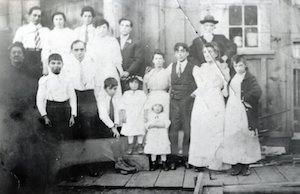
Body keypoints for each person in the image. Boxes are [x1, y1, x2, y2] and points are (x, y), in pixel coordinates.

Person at [188, 42, 230, 172]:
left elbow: (224, 85)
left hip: (215, 99)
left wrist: (220, 83)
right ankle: (200, 162)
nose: (207, 55)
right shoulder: (201, 68)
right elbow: (201, 86)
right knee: (201, 128)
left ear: (216, 53)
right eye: (205, 52)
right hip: (202, 100)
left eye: (210, 52)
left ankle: (215, 162)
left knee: (216, 128)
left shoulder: (222, 67)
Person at [222, 55, 262, 176]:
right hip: (232, 109)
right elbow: (227, 92)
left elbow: (257, 91)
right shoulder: (233, 77)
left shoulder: (250, 78)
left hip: (243, 110)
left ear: (245, 65)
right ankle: (235, 165)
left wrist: (245, 97)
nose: (238, 68)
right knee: (233, 135)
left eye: (240, 65)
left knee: (244, 136)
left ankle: (245, 166)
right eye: (235, 66)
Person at [166, 43, 199, 170]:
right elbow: (166, 81)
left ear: (187, 53)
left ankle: (186, 158)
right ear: (175, 54)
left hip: (187, 103)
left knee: (187, 130)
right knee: (173, 130)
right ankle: (173, 159)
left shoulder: (193, 68)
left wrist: (193, 95)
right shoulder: (171, 67)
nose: (180, 54)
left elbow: (200, 84)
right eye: (177, 51)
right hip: (174, 103)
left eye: (182, 51)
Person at [97, 77, 136, 175]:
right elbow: (103, 116)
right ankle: (119, 163)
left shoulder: (114, 98)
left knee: (121, 135)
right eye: (112, 89)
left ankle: (121, 162)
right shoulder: (101, 99)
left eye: (115, 89)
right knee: (115, 137)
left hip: (113, 123)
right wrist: (113, 128)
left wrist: (120, 125)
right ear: (106, 88)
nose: (114, 91)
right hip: (103, 124)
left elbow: (118, 112)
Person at [64, 40, 100, 139]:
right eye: (76, 50)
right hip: (74, 94)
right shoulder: (66, 65)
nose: (79, 52)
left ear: (85, 50)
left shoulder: (91, 63)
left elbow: (97, 82)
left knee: (90, 121)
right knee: (76, 121)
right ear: (71, 51)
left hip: (88, 95)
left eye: (81, 49)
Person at [36, 53, 77, 140]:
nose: (56, 66)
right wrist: (44, 116)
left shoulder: (67, 79)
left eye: (58, 63)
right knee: (52, 137)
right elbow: (40, 99)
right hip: (52, 110)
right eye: (53, 63)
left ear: (62, 64)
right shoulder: (44, 80)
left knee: (66, 136)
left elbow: (72, 97)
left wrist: (73, 115)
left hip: (65, 109)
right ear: (49, 65)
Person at [87, 18, 124, 97]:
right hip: (97, 71)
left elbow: (117, 58)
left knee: (114, 93)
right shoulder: (91, 43)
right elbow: (89, 60)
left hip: (110, 70)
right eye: (99, 27)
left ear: (107, 28)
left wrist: (121, 71)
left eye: (104, 27)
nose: (102, 30)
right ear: (95, 29)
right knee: (100, 95)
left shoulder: (113, 41)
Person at [13, 6, 49, 79]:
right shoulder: (22, 30)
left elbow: (47, 48)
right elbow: (16, 46)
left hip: (40, 57)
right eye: (34, 15)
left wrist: (45, 66)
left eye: (39, 16)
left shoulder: (46, 31)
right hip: (26, 56)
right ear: (29, 16)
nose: (37, 18)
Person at [120, 75, 146, 154]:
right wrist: (123, 115)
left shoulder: (142, 93)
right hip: (129, 115)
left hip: (139, 114)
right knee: (130, 130)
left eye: (136, 83)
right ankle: (130, 145)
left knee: (140, 130)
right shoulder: (126, 94)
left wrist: (145, 114)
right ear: (128, 84)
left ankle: (140, 145)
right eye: (132, 83)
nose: (134, 85)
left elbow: (146, 104)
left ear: (139, 84)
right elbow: (122, 105)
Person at [117, 18, 144, 91]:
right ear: (119, 26)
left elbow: (138, 60)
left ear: (130, 28)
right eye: (122, 25)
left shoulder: (136, 42)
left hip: (130, 76)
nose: (124, 28)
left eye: (127, 26)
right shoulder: (114, 41)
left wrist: (128, 72)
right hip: (116, 75)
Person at [144, 103, 171, 171]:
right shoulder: (150, 115)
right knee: (153, 149)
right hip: (153, 135)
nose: (157, 108)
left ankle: (164, 162)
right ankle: (153, 163)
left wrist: (156, 125)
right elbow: (147, 125)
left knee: (163, 149)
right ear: (152, 107)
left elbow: (166, 124)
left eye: (159, 106)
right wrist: (152, 125)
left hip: (162, 135)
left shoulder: (164, 115)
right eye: (155, 105)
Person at [143, 50, 170, 116]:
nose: (158, 61)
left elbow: (171, 86)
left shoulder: (167, 73)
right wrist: (147, 96)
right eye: (156, 59)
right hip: (152, 96)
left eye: (160, 59)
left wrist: (168, 96)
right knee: (150, 116)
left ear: (163, 60)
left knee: (164, 116)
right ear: (153, 60)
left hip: (164, 96)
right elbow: (144, 86)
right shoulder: (149, 73)